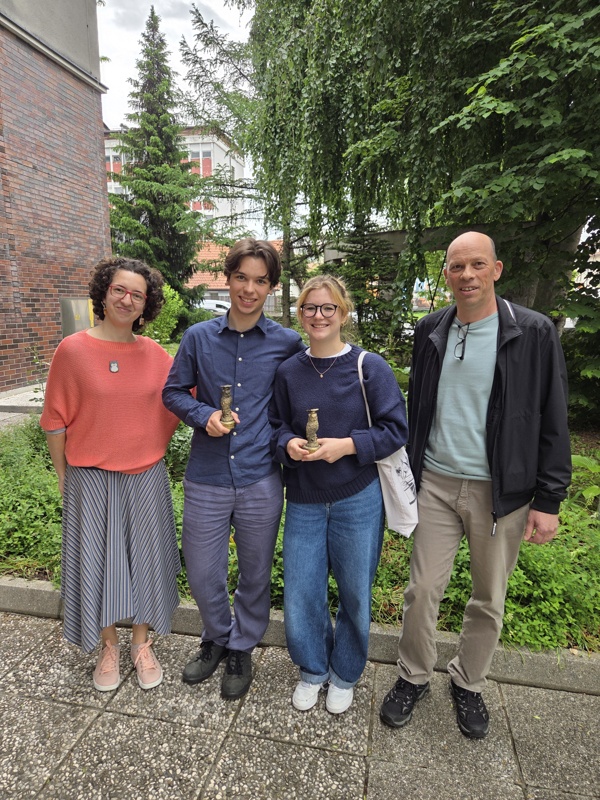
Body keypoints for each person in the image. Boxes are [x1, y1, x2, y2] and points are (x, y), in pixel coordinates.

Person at [379, 231, 571, 738]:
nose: (467, 275)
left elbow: (553, 416)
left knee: (488, 596)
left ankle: (468, 682)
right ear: (446, 273)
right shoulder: (431, 329)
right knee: (422, 589)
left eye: (477, 265)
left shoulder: (532, 331)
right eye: (457, 266)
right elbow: (419, 406)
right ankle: (413, 675)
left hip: (500, 491)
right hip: (436, 483)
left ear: (496, 269)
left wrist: (549, 498)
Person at [162, 238, 304, 700]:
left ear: (272, 287)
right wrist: (203, 415)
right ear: (227, 279)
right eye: (241, 277)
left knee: (256, 573)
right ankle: (216, 636)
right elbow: (173, 392)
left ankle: (242, 646)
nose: (249, 288)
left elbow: (301, 398)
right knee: (203, 573)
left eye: (260, 281)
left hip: (260, 477)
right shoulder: (198, 337)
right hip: (206, 475)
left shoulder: (287, 343)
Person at [40, 256, 182, 692]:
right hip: (90, 478)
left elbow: (183, 399)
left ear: (146, 304)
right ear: (103, 293)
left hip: (145, 476)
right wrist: (64, 475)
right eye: (119, 289)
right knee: (98, 564)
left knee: (144, 562)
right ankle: (108, 645)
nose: (126, 299)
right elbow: (55, 420)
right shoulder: (73, 350)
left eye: (137, 294)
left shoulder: (156, 355)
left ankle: (141, 643)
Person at [270, 275, 408, 715]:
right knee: (302, 592)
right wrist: (288, 444)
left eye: (328, 307)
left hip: (357, 497)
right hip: (305, 498)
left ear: (343, 313)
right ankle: (313, 670)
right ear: (300, 313)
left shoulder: (369, 367)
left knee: (354, 591)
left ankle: (345, 672)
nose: (319, 316)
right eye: (310, 307)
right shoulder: (289, 371)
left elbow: (396, 429)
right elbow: (276, 426)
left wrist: (347, 446)